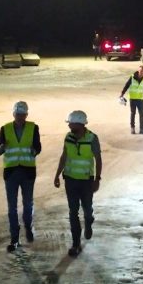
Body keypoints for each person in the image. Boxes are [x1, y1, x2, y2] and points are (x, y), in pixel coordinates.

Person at [53, 110, 102, 257]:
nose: (69, 126)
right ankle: (76, 244)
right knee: (73, 212)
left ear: (80, 124)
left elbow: (98, 159)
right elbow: (64, 156)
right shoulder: (68, 137)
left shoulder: (92, 138)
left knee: (87, 209)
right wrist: (56, 175)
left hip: (86, 182)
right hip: (70, 180)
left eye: (71, 123)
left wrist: (97, 179)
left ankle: (89, 222)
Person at [0, 100, 41, 252]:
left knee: (28, 204)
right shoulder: (5, 128)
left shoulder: (33, 128)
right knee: (12, 207)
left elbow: (38, 146)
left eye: (23, 115)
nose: (20, 117)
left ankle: (28, 226)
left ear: (26, 114)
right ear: (13, 114)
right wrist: (1, 148)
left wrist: (35, 151)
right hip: (11, 172)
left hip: (27, 171)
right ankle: (14, 238)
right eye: (18, 114)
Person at [119, 64, 143, 134]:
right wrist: (122, 93)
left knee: (142, 114)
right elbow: (127, 85)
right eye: (141, 71)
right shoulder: (132, 77)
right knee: (133, 113)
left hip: (140, 99)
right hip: (133, 99)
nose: (142, 73)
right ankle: (132, 128)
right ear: (138, 71)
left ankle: (142, 129)